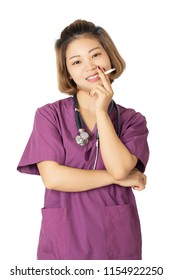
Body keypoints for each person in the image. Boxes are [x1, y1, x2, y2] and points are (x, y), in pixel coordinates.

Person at [17, 19, 149, 260]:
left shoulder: (133, 121)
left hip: (116, 242)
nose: (89, 66)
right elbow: (53, 178)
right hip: (64, 241)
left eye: (95, 55)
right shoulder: (49, 115)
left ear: (110, 58)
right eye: (76, 62)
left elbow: (120, 167)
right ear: (68, 71)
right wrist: (118, 179)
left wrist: (101, 110)